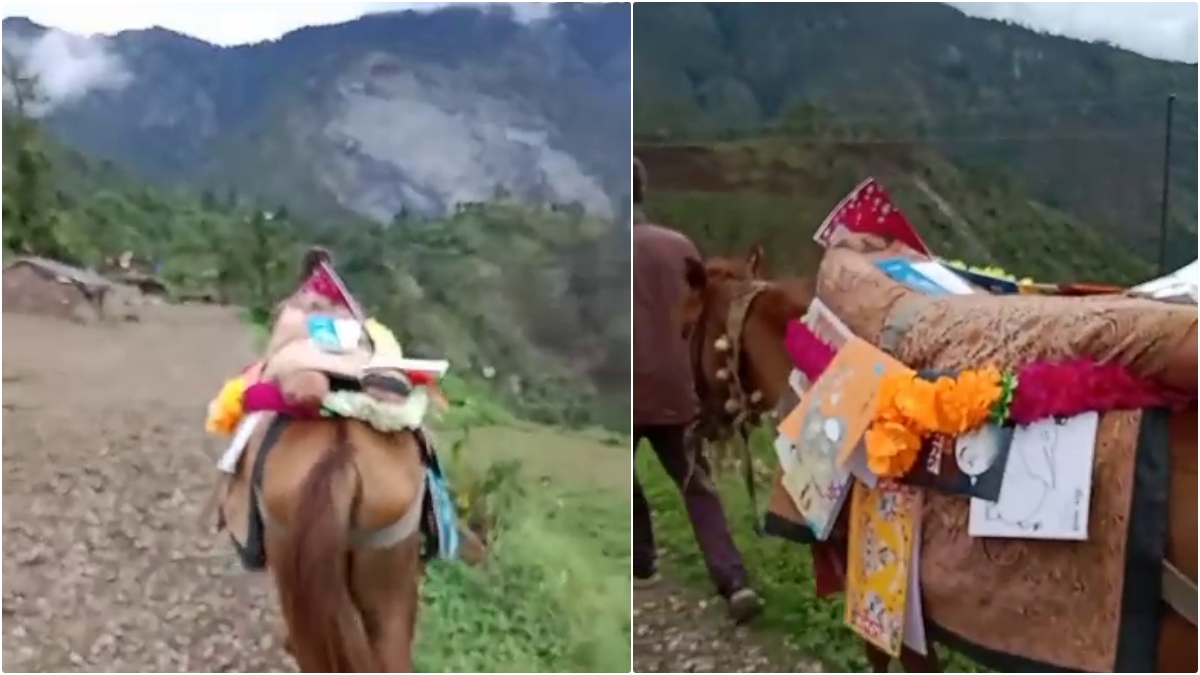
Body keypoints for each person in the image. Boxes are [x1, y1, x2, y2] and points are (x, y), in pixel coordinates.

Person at [631, 156, 761, 623]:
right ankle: (734, 582)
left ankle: (641, 555)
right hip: (675, 387)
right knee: (697, 487)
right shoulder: (679, 246)